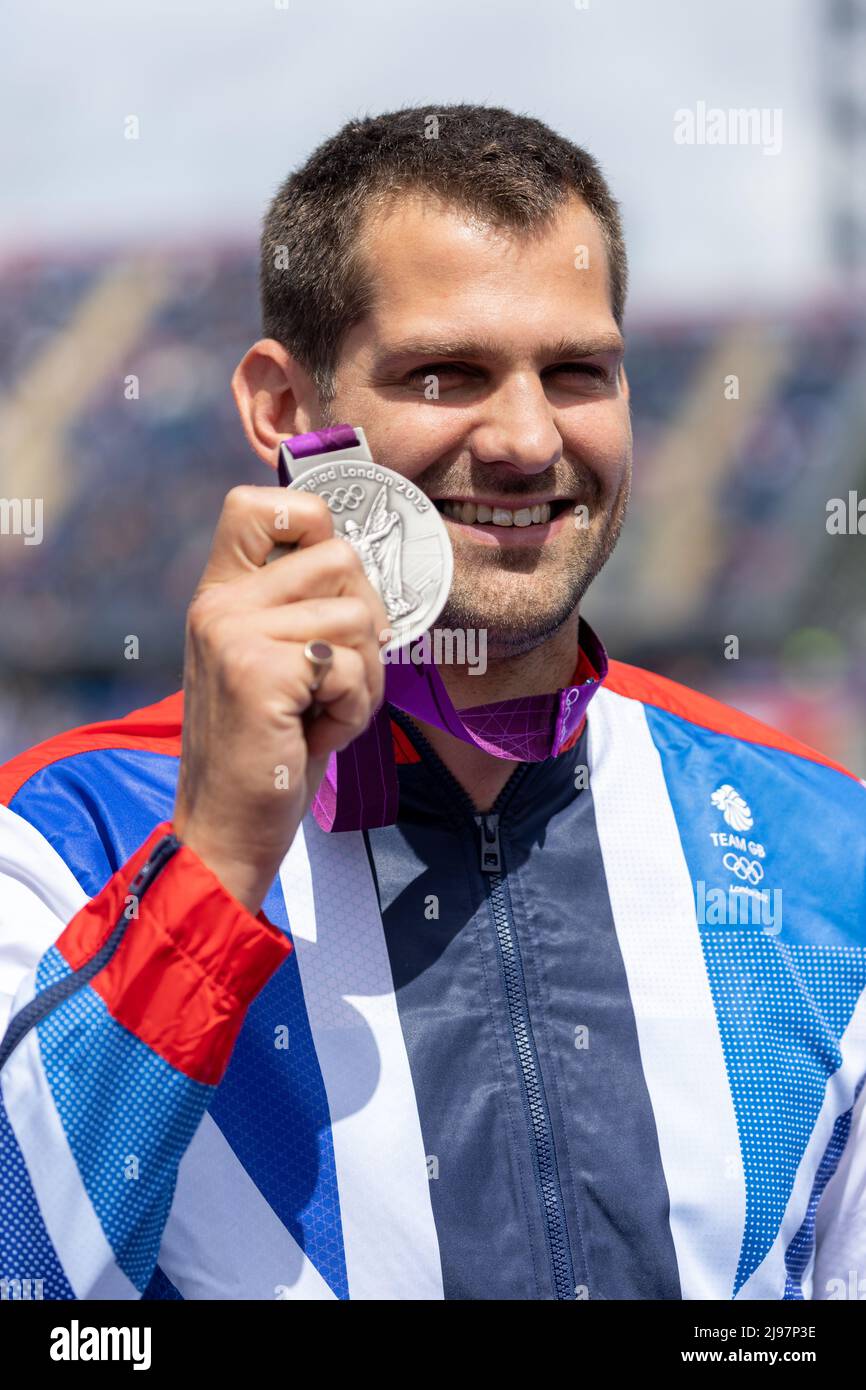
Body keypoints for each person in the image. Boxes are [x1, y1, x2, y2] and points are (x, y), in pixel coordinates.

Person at [1, 103, 865, 1302]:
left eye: (576, 373)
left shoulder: (824, 847)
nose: (522, 439)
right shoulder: (58, 840)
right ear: (283, 408)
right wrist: (211, 868)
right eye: (443, 373)